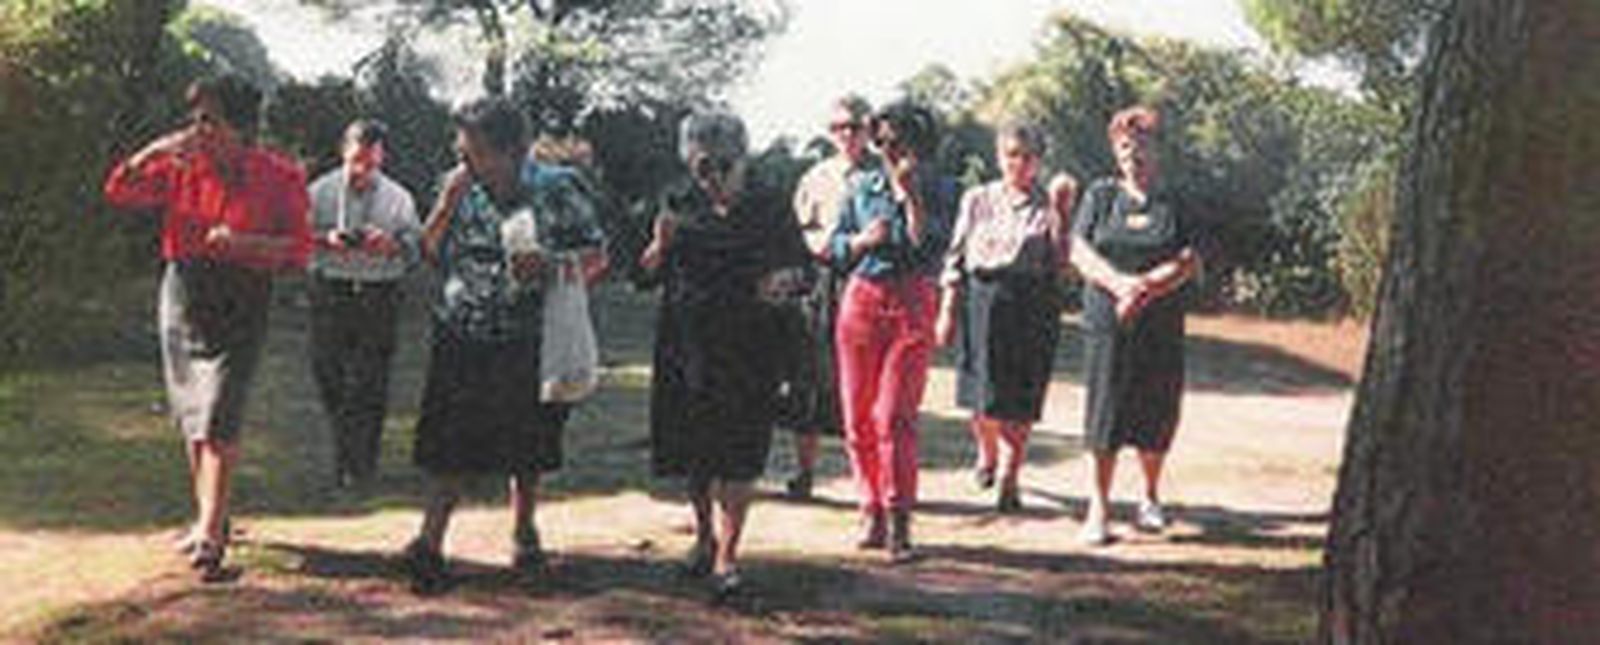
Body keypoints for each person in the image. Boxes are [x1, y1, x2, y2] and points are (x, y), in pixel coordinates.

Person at [102, 74, 312, 577]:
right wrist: (154, 150)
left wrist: (245, 245)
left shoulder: (280, 175)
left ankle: (213, 535)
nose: (197, 130)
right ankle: (208, 518)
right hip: (183, 293)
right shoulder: (179, 166)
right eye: (193, 120)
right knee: (193, 412)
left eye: (209, 121)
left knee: (221, 410)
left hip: (242, 295)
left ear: (240, 128)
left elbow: (300, 251)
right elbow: (118, 189)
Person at [400, 98, 606, 592]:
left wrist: (552, 265)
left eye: (474, 153)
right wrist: (445, 205)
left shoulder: (557, 187)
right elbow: (425, 253)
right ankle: (429, 543)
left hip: (527, 334)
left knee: (528, 444)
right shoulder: (457, 188)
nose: (464, 162)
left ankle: (524, 529)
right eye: (461, 151)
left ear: (510, 152)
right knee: (447, 443)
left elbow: (597, 255)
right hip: (461, 328)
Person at [642, 112, 810, 598]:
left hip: (751, 343)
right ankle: (702, 536)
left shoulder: (769, 203)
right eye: (701, 165)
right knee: (694, 449)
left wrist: (783, 280)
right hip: (686, 341)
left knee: (739, 450)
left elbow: (801, 267)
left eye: (721, 164)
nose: (711, 175)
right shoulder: (677, 200)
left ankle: (727, 556)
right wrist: (658, 245)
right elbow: (646, 273)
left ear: (741, 158)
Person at [1070, 106, 1204, 546]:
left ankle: (1149, 498)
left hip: (1160, 322)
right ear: (1115, 150)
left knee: (1157, 411)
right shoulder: (1100, 196)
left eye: (1142, 144)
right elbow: (1079, 251)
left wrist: (1143, 288)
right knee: (1104, 413)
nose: (1134, 154)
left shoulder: (1175, 201)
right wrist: (1119, 286)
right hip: (1106, 322)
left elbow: (1187, 261)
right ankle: (1098, 508)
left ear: (1158, 149)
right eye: (1126, 146)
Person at [828, 101, 956, 563]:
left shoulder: (943, 187)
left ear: (919, 144)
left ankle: (900, 518)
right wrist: (862, 240)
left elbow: (930, 247)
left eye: (897, 142)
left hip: (911, 298)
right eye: (880, 141)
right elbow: (835, 246)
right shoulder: (862, 186)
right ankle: (870, 508)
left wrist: (911, 199)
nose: (887, 150)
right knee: (857, 413)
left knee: (895, 414)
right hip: (861, 298)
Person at [936, 121, 1077, 513]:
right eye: (1012, 154)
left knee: (1019, 399)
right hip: (982, 300)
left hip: (1031, 303)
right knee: (980, 397)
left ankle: (1011, 478)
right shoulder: (977, 199)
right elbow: (955, 257)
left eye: (1028, 156)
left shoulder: (1050, 202)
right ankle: (987, 453)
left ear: (1040, 160)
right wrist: (947, 309)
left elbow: (1063, 266)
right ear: (1000, 157)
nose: (1020, 163)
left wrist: (1062, 215)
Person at [306, 119, 421, 491]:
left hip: (379, 292)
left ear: (382, 158)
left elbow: (416, 245)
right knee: (329, 374)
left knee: (371, 382)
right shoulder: (318, 191)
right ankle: (346, 452)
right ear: (343, 152)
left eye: (371, 163)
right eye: (356, 161)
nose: (362, 171)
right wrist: (326, 239)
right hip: (331, 288)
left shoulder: (399, 197)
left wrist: (390, 244)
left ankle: (361, 464)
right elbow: (295, 237)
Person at [779, 95, 874, 499]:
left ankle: (866, 479)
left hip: (870, 279)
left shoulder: (884, 173)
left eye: (854, 126)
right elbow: (802, 231)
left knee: (863, 385)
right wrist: (833, 247)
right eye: (839, 128)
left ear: (868, 128)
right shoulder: (816, 177)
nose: (847, 135)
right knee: (808, 380)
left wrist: (855, 248)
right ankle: (805, 472)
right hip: (822, 283)